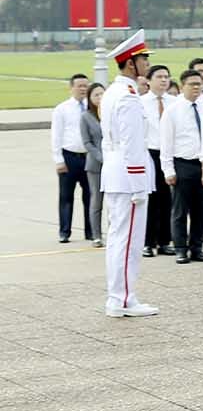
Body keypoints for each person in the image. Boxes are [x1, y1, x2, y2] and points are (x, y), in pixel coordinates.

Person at [100, 30, 159, 317]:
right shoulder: (127, 97)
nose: (147, 64)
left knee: (119, 238)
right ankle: (122, 299)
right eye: (143, 59)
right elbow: (133, 144)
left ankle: (119, 296)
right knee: (128, 241)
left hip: (115, 172)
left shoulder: (114, 92)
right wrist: (138, 183)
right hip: (127, 176)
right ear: (131, 63)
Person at [160, 68, 203, 264]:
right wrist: (168, 170)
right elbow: (166, 142)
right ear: (182, 86)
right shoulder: (173, 110)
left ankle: (196, 247)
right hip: (183, 163)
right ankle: (180, 247)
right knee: (180, 210)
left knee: (201, 210)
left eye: (199, 84)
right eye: (192, 84)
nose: (197, 87)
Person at [139, 64, 177, 258]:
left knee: (167, 200)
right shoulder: (140, 102)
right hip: (150, 154)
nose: (164, 80)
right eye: (159, 77)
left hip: (169, 153)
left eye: (166, 77)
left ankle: (164, 241)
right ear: (148, 80)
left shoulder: (175, 102)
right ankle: (147, 242)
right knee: (151, 200)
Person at [52, 73, 93, 244]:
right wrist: (58, 160)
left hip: (89, 157)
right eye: (80, 86)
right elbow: (56, 135)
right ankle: (64, 231)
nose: (83, 89)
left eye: (86, 86)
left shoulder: (93, 108)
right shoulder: (62, 109)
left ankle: (91, 231)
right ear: (72, 87)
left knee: (90, 196)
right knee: (66, 196)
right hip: (69, 157)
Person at [81, 82, 107, 247]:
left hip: (113, 163)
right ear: (90, 98)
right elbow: (87, 143)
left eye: (102, 94)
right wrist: (102, 157)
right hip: (96, 165)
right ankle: (96, 235)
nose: (99, 98)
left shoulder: (110, 113)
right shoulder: (86, 117)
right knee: (97, 200)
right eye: (96, 95)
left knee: (114, 200)